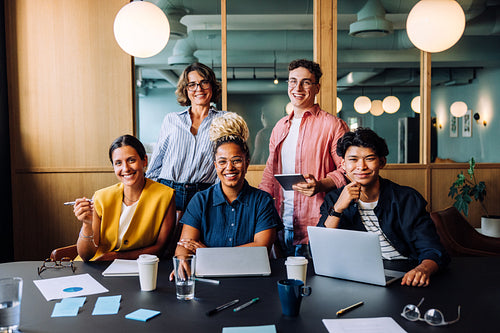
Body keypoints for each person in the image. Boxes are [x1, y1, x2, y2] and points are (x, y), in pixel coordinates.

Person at [317, 128, 450, 287]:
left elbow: (433, 250)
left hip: (405, 275)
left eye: (369, 158)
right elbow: (320, 251)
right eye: (353, 159)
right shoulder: (334, 199)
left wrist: (423, 269)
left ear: (382, 162)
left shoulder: (407, 199)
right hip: (357, 277)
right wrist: (338, 208)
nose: (361, 166)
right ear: (343, 165)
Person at [259, 59, 349, 258]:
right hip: (281, 225)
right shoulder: (279, 127)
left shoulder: (333, 125)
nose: (297, 87)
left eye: (306, 82)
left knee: (318, 287)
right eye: (292, 81)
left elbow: (347, 169)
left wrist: (320, 185)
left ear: (316, 87)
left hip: (317, 226)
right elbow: (269, 175)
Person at [172, 112, 281, 259]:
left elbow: (261, 249)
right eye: (222, 162)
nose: (229, 168)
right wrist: (183, 262)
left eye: (236, 160)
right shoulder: (200, 200)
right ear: (215, 166)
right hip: (209, 276)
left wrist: (209, 254)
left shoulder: (263, 201)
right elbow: (184, 248)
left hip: (249, 276)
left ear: (246, 163)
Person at [74, 135, 176, 262]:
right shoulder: (101, 197)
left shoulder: (166, 195)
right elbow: (86, 255)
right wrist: (87, 224)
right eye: (118, 163)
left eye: (131, 160)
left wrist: (118, 257)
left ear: (144, 161)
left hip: (137, 267)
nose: (126, 168)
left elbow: (159, 248)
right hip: (96, 266)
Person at [146, 62, 226, 213]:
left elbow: (226, 161)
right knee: (165, 237)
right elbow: (156, 163)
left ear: (212, 86)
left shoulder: (225, 120)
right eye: (192, 84)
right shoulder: (171, 120)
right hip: (167, 190)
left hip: (203, 193)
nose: (199, 89)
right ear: (186, 89)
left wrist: (216, 194)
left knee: (196, 237)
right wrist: (151, 194)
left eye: (204, 83)